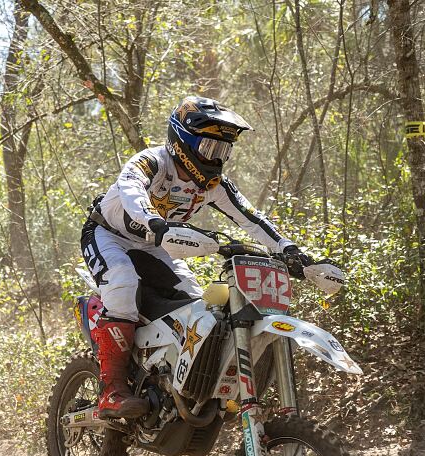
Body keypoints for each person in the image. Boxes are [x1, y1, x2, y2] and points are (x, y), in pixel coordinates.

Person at [82, 96, 313, 419]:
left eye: (223, 151)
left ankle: (172, 384)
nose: (216, 159)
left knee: (196, 309)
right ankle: (111, 390)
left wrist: (290, 250)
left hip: (155, 245)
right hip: (109, 235)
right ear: (182, 142)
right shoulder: (151, 162)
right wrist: (153, 221)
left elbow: (252, 218)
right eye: (210, 149)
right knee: (122, 284)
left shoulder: (216, 186)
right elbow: (130, 189)